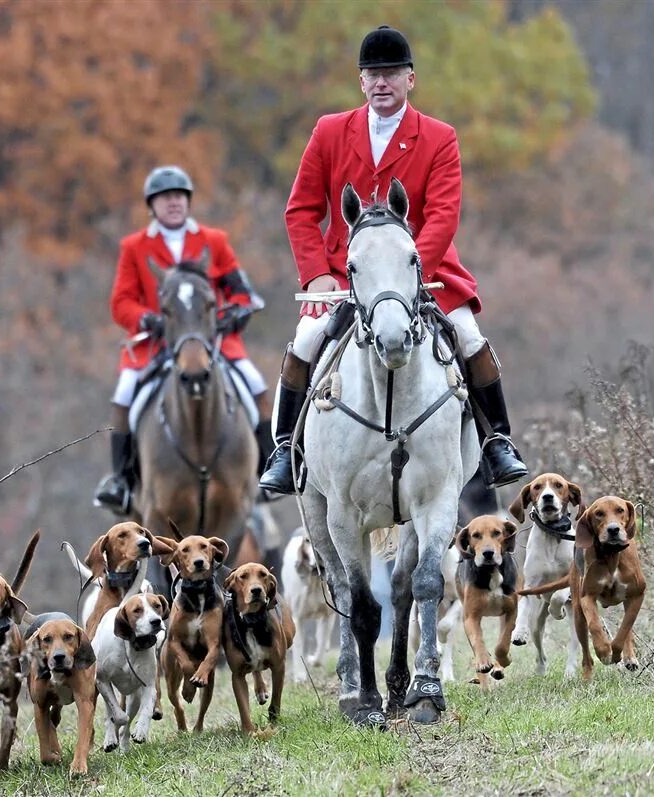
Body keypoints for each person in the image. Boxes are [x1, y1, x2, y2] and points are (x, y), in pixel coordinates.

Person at [259, 25, 528, 495]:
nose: (382, 82)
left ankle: (496, 440)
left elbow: (443, 216)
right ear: (361, 82)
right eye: (372, 74)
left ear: (411, 79)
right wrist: (317, 274)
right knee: (304, 341)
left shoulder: (439, 137)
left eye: (392, 73)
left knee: (468, 336)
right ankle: (287, 450)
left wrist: (409, 271)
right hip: (347, 275)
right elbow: (301, 210)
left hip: (426, 272)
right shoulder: (328, 132)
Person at [94, 165, 272, 514]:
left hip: (211, 342)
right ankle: (121, 480)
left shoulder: (214, 241)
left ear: (188, 201)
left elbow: (242, 293)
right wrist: (146, 318)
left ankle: (269, 470)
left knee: (257, 386)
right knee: (124, 396)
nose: (172, 203)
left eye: (178, 196)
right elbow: (120, 302)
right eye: (164, 198)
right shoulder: (134, 247)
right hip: (155, 344)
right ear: (152, 206)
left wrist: (235, 312)